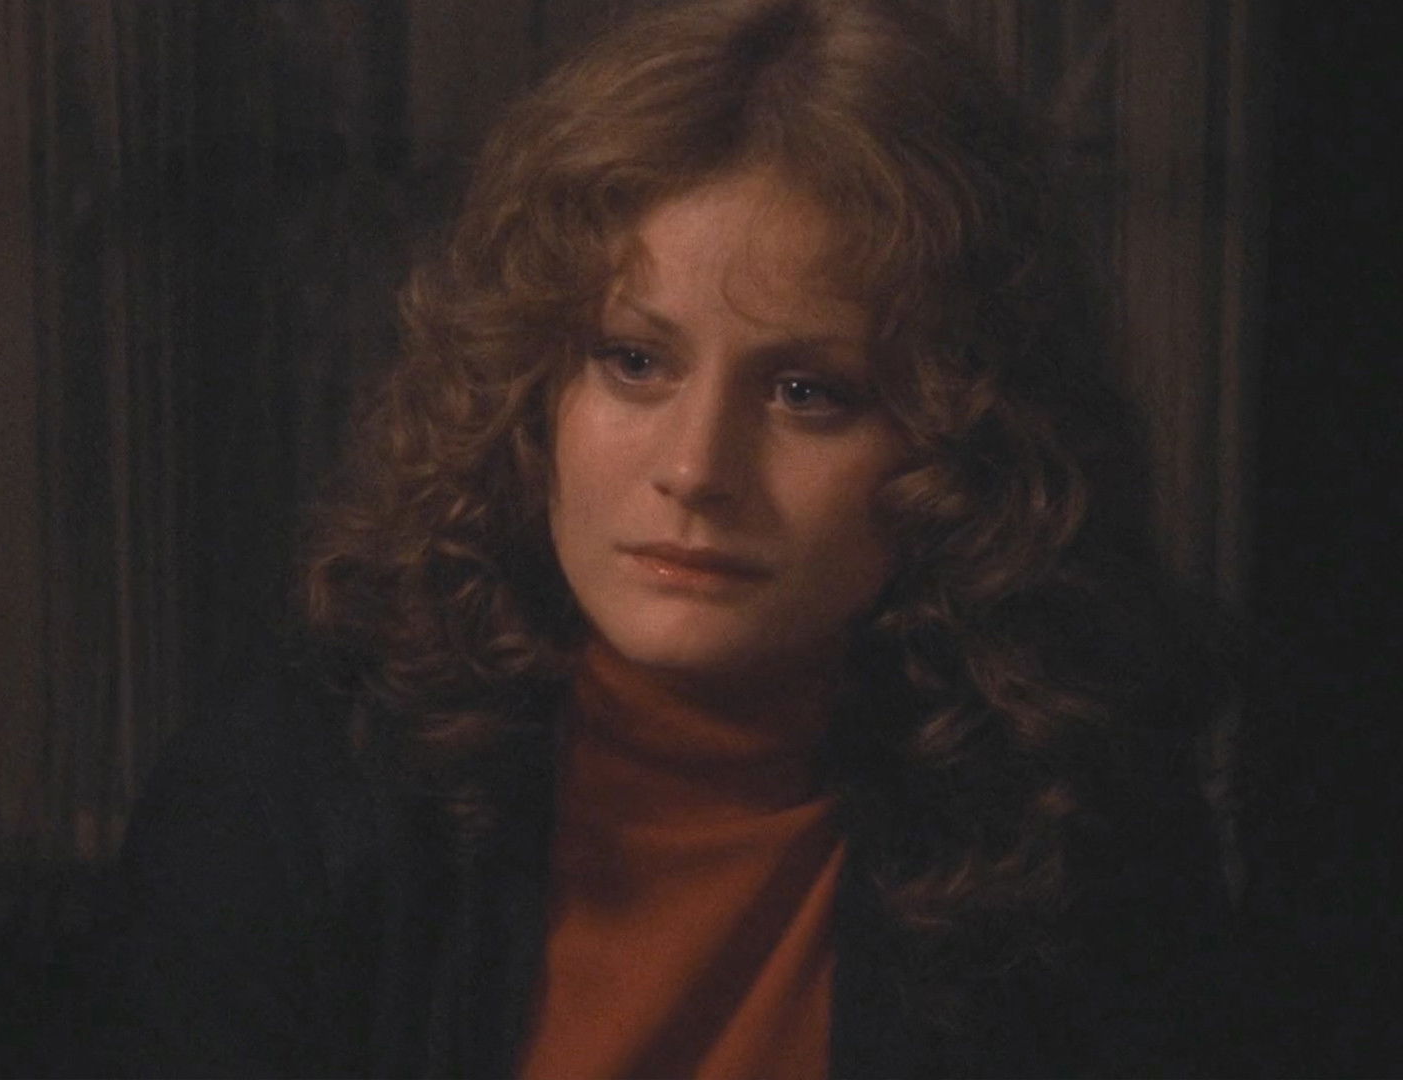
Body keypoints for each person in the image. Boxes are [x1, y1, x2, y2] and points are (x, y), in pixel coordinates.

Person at [109, 0, 1244, 1075]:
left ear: (964, 445)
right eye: (635, 361)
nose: (696, 471)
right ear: (533, 388)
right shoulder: (283, 799)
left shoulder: (1076, 826)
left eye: (808, 393)